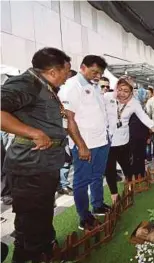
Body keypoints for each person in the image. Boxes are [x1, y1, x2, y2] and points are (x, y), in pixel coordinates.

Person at [1, 47, 71, 262]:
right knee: (30, 224)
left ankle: (44, 251)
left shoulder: (45, 87)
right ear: (52, 71)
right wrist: (32, 132)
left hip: (44, 164)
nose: (67, 77)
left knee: (41, 217)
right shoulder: (26, 84)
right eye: (66, 72)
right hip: (30, 166)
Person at [59, 55, 111, 231]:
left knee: (97, 176)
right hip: (85, 144)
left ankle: (98, 205)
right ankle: (84, 216)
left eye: (100, 73)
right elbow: (69, 121)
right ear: (83, 67)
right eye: (94, 71)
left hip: (101, 141)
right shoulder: (72, 86)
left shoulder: (93, 85)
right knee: (81, 181)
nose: (97, 76)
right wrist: (81, 145)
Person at [104, 77, 154, 203]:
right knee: (109, 169)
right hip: (107, 141)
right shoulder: (106, 97)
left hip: (123, 141)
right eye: (120, 89)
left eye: (126, 91)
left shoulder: (134, 102)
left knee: (127, 167)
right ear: (116, 88)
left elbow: (142, 115)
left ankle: (130, 187)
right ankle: (114, 196)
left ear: (131, 92)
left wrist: (152, 126)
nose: (122, 93)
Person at [57, 69, 77, 196]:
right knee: (66, 160)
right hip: (63, 133)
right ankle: (63, 185)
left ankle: (63, 184)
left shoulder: (74, 94)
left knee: (69, 160)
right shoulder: (61, 94)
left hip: (73, 132)